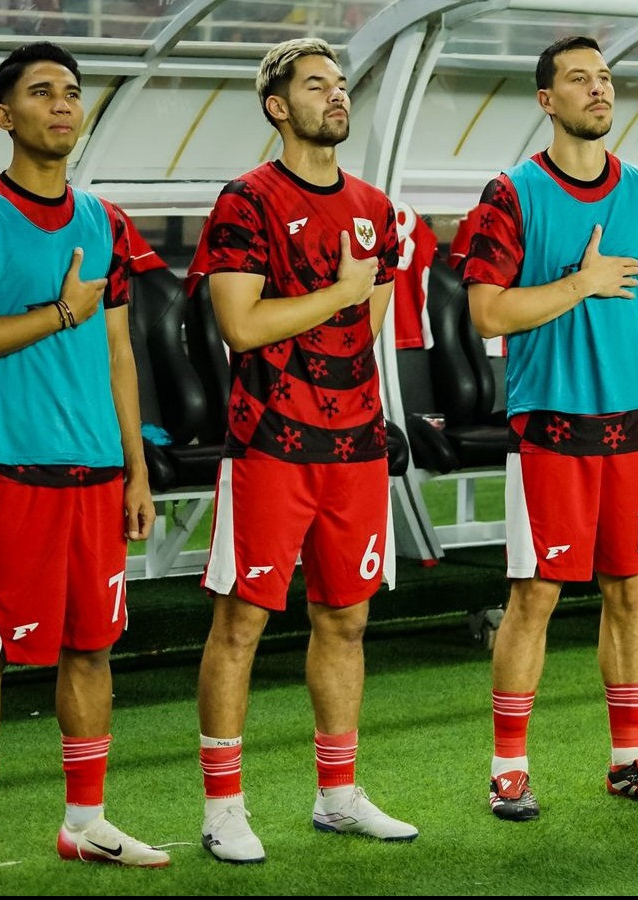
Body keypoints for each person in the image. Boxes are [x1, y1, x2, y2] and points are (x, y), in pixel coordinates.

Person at [0, 41, 167, 894]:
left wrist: (136, 469)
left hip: (96, 473)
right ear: (3, 115)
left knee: (92, 649)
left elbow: (118, 353)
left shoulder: (106, 221)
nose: (62, 104)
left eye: (71, 91)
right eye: (40, 92)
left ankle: (85, 823)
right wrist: (58, 310)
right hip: (4, 470)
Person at [189, 37, 415, 863]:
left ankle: (338, 794)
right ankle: (222, 806)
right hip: (269, 443)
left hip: (355, 446)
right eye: (316, 85)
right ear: (278, 107)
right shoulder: (244, 200)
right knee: (242, 619)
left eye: (341, 83)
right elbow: (240, 326)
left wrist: (346, 301)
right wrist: (339, 293)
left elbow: (367, 328)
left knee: (346, 618)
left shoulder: (376, 205)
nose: (336, 95)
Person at [460, 36, 638, 821]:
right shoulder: (509, 194)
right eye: (579, 80)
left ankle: (628, 759)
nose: (599, 90)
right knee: (536, 595)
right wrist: (579, 284)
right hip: (551, 424)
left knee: (633, 591)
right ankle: (508, 769)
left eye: (606, 78)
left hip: (632, 422)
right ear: (545, 100)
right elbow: (487, 312)